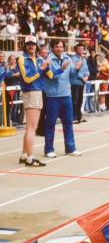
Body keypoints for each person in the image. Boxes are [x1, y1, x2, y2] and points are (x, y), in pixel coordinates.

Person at [43, 39, 82, 158]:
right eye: (57, 46)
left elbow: (72, 75)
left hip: (66, 95)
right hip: (52, 96)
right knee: (50, 123)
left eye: (61, 46)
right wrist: (62, 69)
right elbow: (51, 76)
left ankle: (70, 148)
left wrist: (77, 69)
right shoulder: (48, 60)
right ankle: (49, 149)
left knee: (68, 123)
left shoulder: (68, 59)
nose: (59, 49)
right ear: (52, 48)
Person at [17, 36, 52, 167]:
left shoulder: (38, 59)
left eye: (33, 44)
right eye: (28, 44)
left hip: (37, 92)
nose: (31, 46)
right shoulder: (22, 59)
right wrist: (41, 70)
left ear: (36, 45)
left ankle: (24, 154)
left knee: (30, 128)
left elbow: (51, 75)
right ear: (25, 46)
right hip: (31, 92)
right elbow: (26, 78)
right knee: (32, 128)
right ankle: (30, 158)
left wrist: (52, 67)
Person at [70, 43, 90, 123]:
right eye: (79, 49)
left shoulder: (84, 59)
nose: (81, 50)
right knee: (74, 100)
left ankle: (79, 116)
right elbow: (74, 71)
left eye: (82, 49)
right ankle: (74, 117)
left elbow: (86, 70)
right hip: (75, 82)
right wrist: (82, 77)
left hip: (82, 82)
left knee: (80, 100)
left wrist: (87, 76)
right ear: (76, 49)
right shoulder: (73, 58)